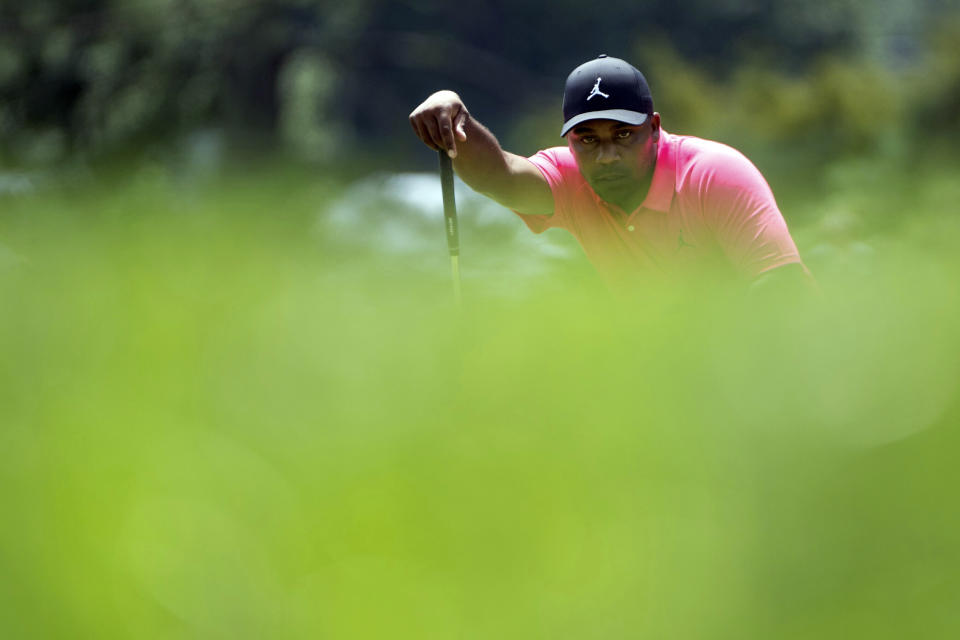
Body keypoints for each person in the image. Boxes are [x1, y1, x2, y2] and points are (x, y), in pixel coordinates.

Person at [409, 54, 812, 294]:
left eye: (623, 135)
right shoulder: (570, 177)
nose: (606, 156)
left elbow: (781, 287)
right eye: (587, 139)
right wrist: (454, 113)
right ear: (569, 140)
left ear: (654, 128)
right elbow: (501, 177)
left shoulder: (714, 174)